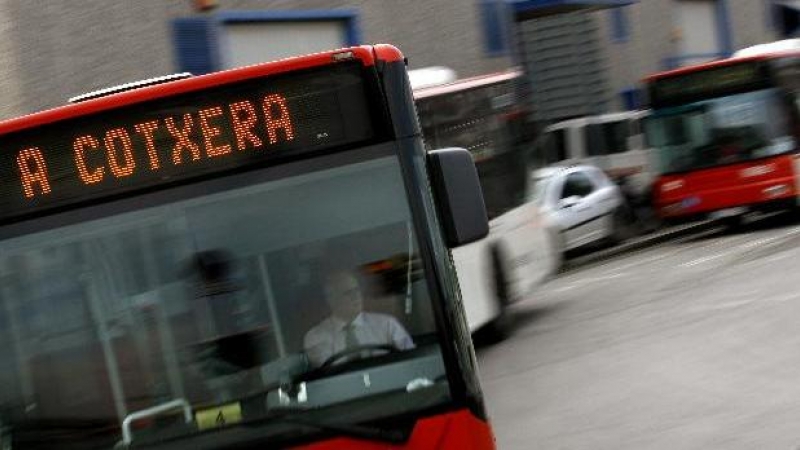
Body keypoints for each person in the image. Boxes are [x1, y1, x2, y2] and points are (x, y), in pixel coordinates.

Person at [303, 269, 415, 368]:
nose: (356, 296)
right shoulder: (316, 337)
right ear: (332, 300)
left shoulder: (388, 324)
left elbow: (411, 360)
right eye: (348, 293)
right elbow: (327, 376)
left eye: (357, 290)